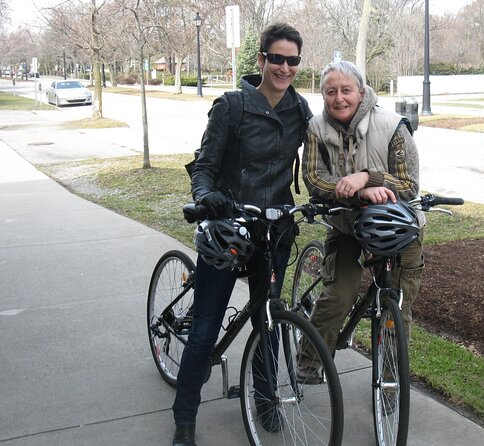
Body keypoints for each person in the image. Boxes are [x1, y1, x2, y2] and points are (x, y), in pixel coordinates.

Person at [171, 23, 312, 446]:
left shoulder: (300, 110)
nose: (284, 67)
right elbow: (205, 165)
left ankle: (264, 398)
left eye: (292, 61)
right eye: (277, 58)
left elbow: (328, 152)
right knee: (206, 327)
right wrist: (207, 197)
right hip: (229, 229)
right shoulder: (231, 107)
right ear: (262, 60)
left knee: (268, 320)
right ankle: (184, 418)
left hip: (275, 231)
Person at [297, 60, 425, 380]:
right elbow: (314, 180)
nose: (339, 98)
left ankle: (391, 381)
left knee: (398, 305)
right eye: (331, 92)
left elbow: (409, 185)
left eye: (346, 90)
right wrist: (354, 193)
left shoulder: (394, 126)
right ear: (323, 95)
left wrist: (368, 178)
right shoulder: (315, 129)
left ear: (362, 91)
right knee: (340, 293)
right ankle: (309, 360)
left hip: (398, 226)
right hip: (347, 222)